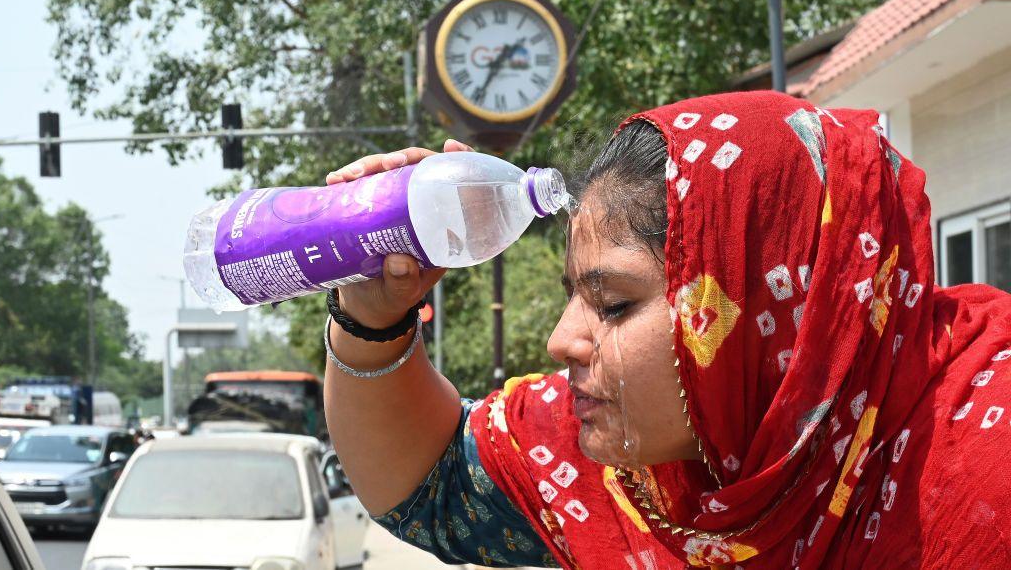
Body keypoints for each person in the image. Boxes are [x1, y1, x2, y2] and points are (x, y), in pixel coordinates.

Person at [322, 91, 1011, 569]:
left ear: (776, 317)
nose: (563, 341)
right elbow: (430, 486)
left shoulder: (983, 461)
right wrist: (372, 314)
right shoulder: (635, 462)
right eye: (574, 296)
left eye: (613, 305)